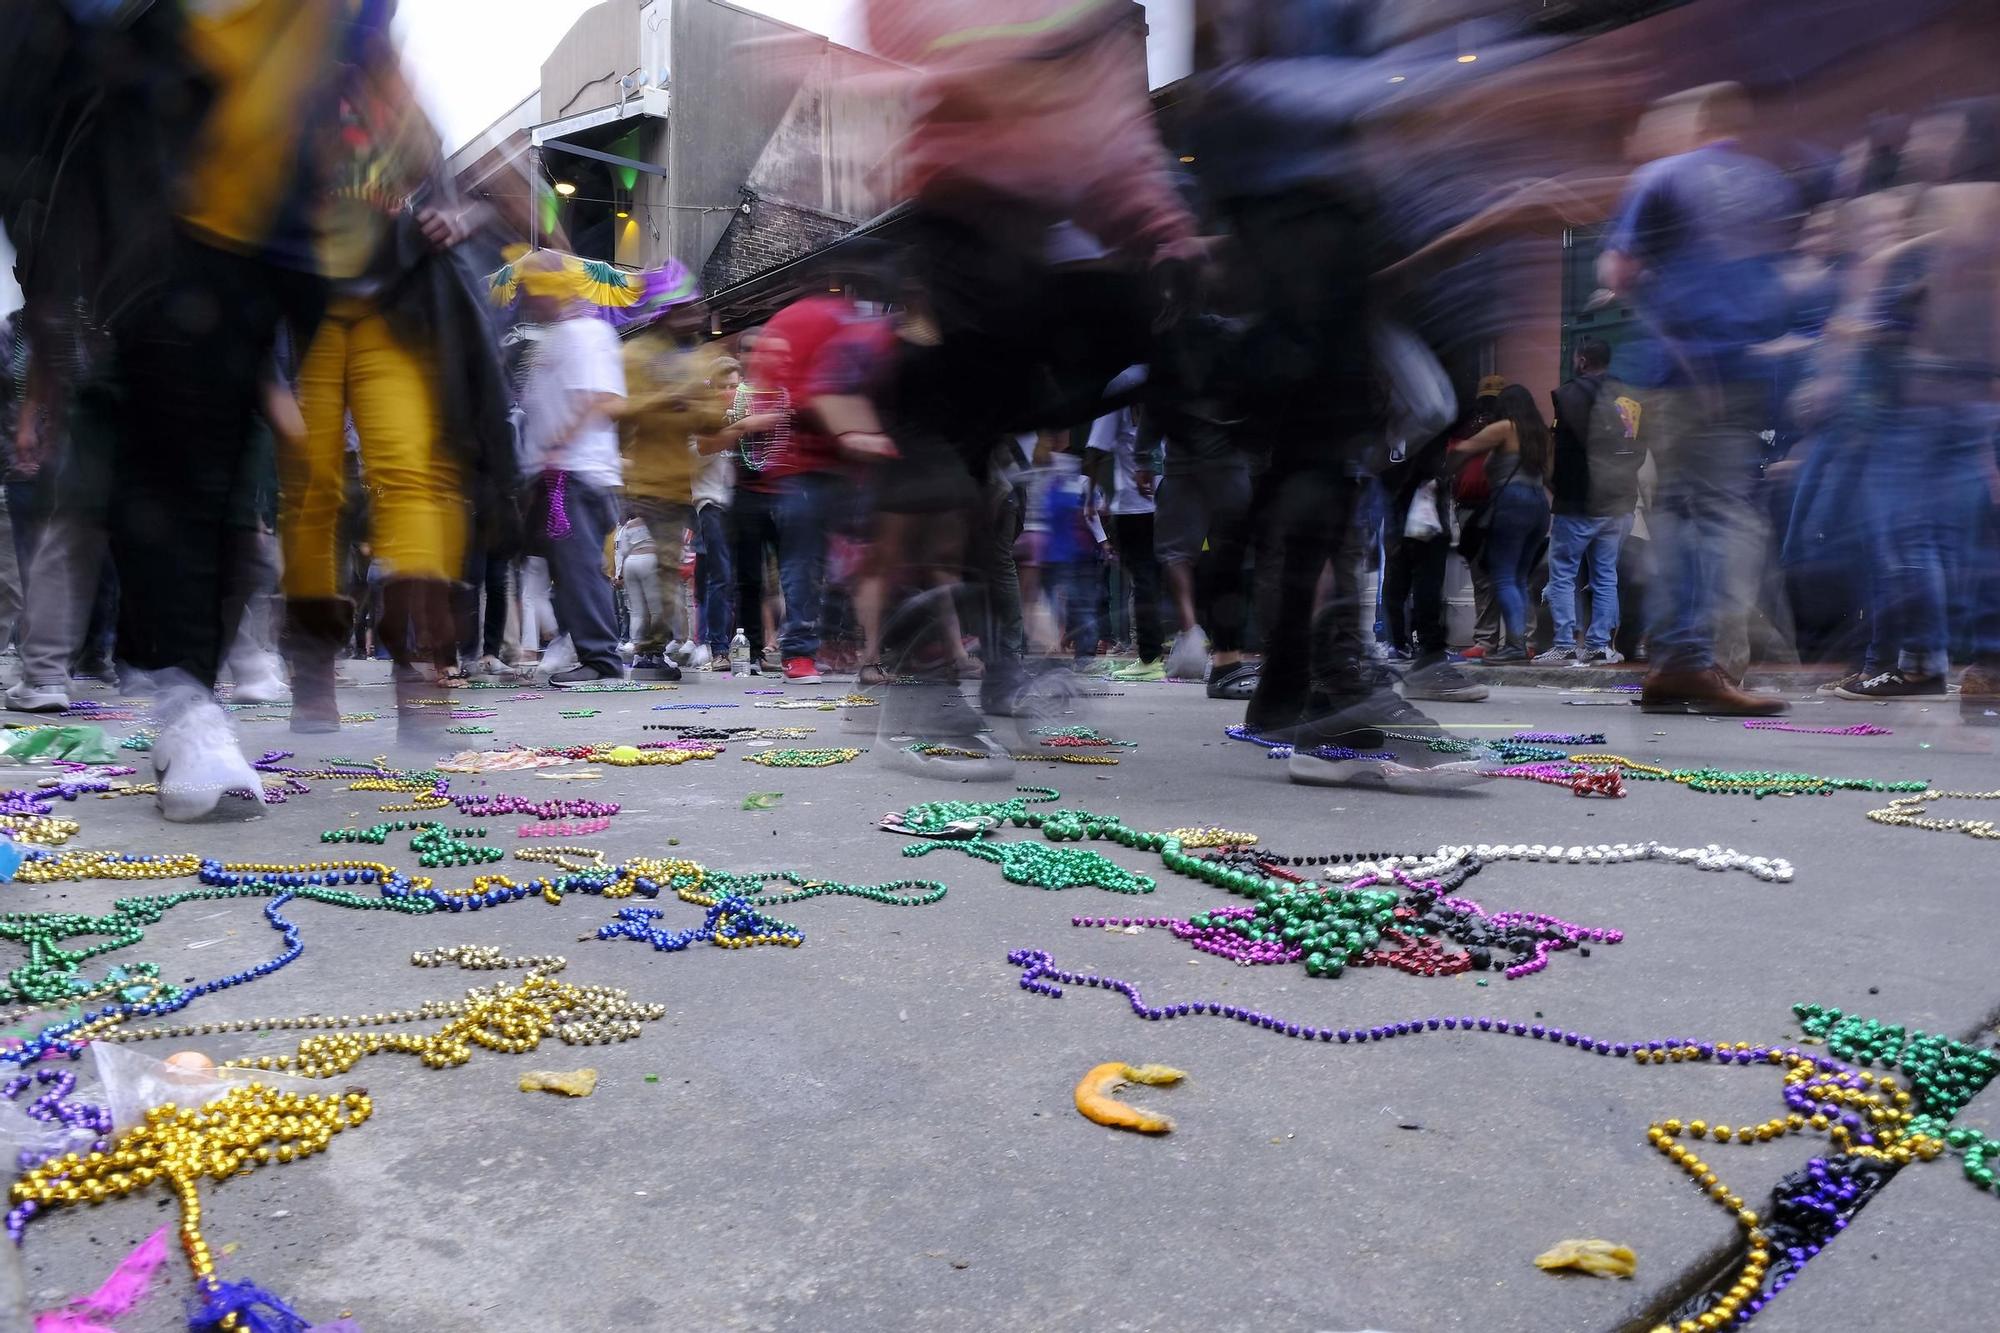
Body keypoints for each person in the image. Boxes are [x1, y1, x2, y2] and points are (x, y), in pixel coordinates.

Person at [1598, 83, 1793, 716]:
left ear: (1695, 121)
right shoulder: (1771, 183)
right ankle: (1699, 659)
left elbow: (1619, 273)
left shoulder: (1664, 176)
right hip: (1743, 370)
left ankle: (1683, 658)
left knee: (1683, 511)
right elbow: (1786, 276)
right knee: (1723, 512)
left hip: (1678, 368)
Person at [515, 255, 629, 688]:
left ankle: (602, 662)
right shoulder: (560, 337)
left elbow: (604, 398)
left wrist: (559, 445)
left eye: (531, 286)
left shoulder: (584, 334)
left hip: (573, 473)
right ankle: (580, 647)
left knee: (579, 568)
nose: (525, 295)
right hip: (556, 474)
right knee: (560, 568)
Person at [615, 297, 727, 681]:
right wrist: (670, 399)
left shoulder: (698, 356)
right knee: (664, 565)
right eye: (687, 309)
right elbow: (621, 410)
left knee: (679, 569)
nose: (696, 316)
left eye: (696, 309)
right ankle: (650, 652)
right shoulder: (636, 354)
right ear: (665, 312)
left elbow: (712, 421)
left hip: (688, 485)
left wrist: (698, 406)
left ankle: (658, 649)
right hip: (650, 480)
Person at [1540, 335, 1644, 665]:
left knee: (1563, 574)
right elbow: (1639, 451)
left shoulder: (1568, 394)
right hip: (1619, 502)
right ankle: (1599, 645)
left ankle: (1565, 643)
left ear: (1582, 360)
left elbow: (1559, 452)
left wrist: (1554, 484)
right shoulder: (1631, 399)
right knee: (1605, 575)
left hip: (1577, 502)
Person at [1450, 384, 1550, 663]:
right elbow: (1551, 475)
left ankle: (1515, 646)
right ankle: (1519, 644)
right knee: (1519, 578)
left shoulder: (1505, 427)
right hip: (1539, 506)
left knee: (1504, 577)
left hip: (1511, 504)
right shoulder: (1540, 434)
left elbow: (1462, 451)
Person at [1086, 406, 1166, 682]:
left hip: (1133, 504)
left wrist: (1089, 498)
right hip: (1167, 499)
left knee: (1142, 578)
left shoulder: (1122, 385)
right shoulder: (1168, 381)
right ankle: (1161, 649)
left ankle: (1149, 658)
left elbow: (1096, 448)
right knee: (1158, 576)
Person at [688, 356, 744, 671]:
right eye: (723, 386)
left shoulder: (747, 415)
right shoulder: (700, 417)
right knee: (720, 577)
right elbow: (692, 458)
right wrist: (728, 431)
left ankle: (753, 648)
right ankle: (719, 649)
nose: (729, 392)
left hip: (745, 503)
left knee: (749, 578)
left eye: (734, 386)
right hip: (712, 504)